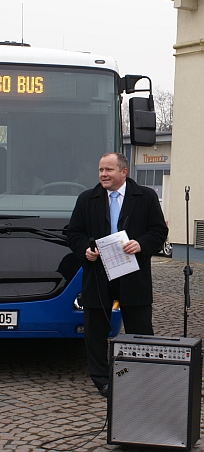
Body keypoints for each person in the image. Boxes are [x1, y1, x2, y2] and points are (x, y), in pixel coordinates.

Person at [66, 152, 168, 397]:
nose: (103, 174)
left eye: (109, 170)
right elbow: (73, 234)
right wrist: (84, 250)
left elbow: (159, 230)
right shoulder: (86, 199)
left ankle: (142, 376)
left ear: (124, 172)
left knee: (140, 327)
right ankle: (102, 380)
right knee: (95, 331)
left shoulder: (145, 197)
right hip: (98, 274)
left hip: (133, 273)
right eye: (101, 170)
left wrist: (141, 244)